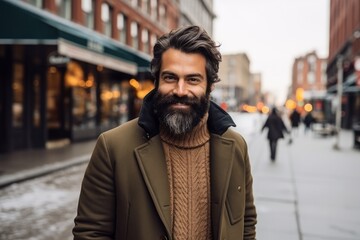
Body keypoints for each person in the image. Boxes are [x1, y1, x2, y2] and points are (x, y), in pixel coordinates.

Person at [73, 26, 257, 240]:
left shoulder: (236, 147)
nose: (180, 90)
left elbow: (246, 223)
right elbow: (90, 233)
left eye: (193, 79)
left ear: (210, 86)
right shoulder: (113, 147)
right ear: (157, 80)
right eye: (170, 78)